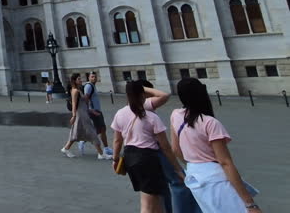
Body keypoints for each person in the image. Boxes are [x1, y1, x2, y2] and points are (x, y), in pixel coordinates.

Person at [170, 78, 261, 213]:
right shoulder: (210, 123)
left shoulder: (175, 115)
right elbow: (225, 162)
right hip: (216, 178)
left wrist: (194, 163)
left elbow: (176, 149)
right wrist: (250, 204)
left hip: (194, 174)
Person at [110, 81, 183, 213]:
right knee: (148, 205)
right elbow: (165, 147)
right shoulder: (151, 117)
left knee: (155, 201)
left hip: (130, 158)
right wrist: (177, 168)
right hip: (148, 159)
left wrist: (115, 159)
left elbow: (117, 141)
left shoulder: (120, 113)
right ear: (143, 95)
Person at [135, 80, 201, 213]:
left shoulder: (127, 108)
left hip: (140, 154)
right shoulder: (143, 105)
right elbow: (164, 95)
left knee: (161, 186)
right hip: (156, 150)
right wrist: (143, 88)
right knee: (179, 182)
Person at [61, 73, 112, 159]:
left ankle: (66, 148)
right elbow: (74, 104)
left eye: (80, 78)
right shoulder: (75, 91)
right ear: (74, 81)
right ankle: (101, 154)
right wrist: (73, 116)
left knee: (75, 133)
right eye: (79, 79)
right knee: (92, 133)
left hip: (84, 114)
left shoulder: (78, 90)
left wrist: (92, 111)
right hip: (81, 115)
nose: (81, 80)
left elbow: (83, 104)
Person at [85, 72, 114, 156]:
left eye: (95, 77)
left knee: (102, 129)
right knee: (100, 130)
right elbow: (86, 98)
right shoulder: (89, 86)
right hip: (94, 111)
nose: (94, 78)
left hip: (97, 111)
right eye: (92, 77)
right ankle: (84, 141)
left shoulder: (93, 86)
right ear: (89, 78)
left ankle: (106, 148)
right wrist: (90, 110)